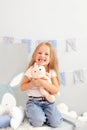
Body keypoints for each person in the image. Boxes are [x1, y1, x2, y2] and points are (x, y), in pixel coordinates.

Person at [20, 42, 63, 127]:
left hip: (48, 102)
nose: (42, 56)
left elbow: (55, 89)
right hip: (34, 102)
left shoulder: (51, 71)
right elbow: (22, 87)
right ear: (34, 55)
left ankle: (46, 115)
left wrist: (43, 83)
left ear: (51, 58)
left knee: (56, 123)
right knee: (38, 122)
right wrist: (34, 83)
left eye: (46, 54)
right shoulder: (31, 70)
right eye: (39, 53)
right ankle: (35, 114)